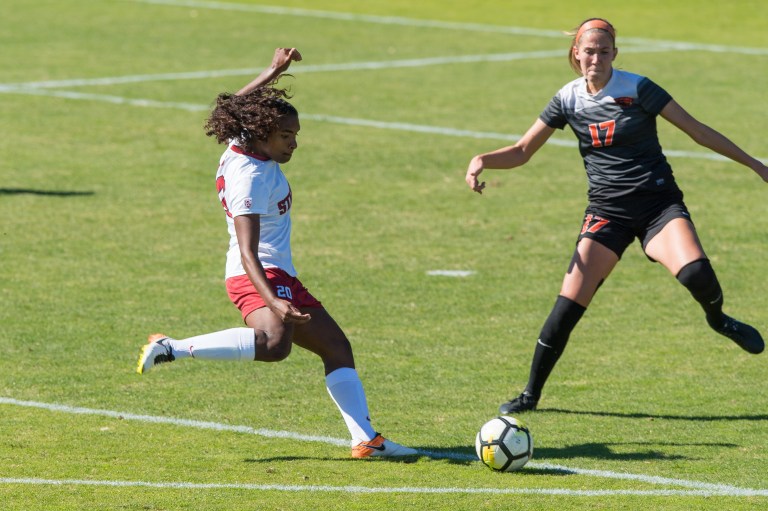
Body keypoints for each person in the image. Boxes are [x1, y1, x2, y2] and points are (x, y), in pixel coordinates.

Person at [465, 18, 767, 414]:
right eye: (589, 51)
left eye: (603, 52)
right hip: (607, 213)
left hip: (658, 205)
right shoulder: (567, 99)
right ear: (576, 53)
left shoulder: (639, 88)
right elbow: (523, 150)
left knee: (697, 275)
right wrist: (482, 160)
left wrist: (754, 164)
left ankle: (718, 318)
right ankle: (530, 395)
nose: (596, 58)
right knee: (567, 306)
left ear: (614, 55)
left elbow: (696, 130)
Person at [137, 47, 416, 459]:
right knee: (273, 345)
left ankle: (366, 441)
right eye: (287, 136)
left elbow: (235, 108)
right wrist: (274, 302)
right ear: (263, 134)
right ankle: (172, 347)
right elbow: (248, 251)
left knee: (336, 348)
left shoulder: (241, 142)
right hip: (258, 274)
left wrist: (272, 71)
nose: (294, 144)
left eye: (296, 135)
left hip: (279, 273)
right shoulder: (249, 178)